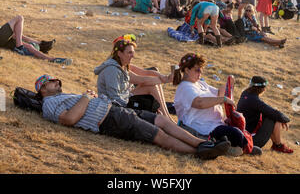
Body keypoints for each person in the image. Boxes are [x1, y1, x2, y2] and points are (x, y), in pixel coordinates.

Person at [36, 74, 231, 160]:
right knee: (158, 135)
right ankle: (198, 152)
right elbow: (69, 119)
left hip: (113, 110)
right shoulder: (49, 103)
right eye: (52, 82)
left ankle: (202, 143)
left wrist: (89, 98)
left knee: (162, 120)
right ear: (43, 89)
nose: (57, 82)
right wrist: (86, 97)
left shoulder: (59, 96)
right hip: (107, 119)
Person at [173, 54, 252, 156]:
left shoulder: (199, 83)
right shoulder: (185, 87)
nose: (200, 73)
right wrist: (223, 99)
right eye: (197, 70)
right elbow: (199, 103)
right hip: (204, 127)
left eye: (201, 70)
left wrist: (229, 84)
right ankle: (239, 148)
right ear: (187, 70)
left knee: (240, 129)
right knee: (236, 134)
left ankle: (241, 147)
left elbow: (219, 93)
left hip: (215, 124)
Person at [94, 34, 173, 120]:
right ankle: (167, 118)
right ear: (119, 53)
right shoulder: (112, 70)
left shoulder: (123, 65)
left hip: (124, 97)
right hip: (114, 106)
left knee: (154, 84)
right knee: (152, 86)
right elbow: (114, 98)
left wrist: (165, 78)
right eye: (129, 52)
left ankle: (167, 117)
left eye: (133, 52)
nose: (133, 56)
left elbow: (143, 76)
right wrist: (165, 79)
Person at [237, 76, 293, 153]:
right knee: (275, 118)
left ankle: (276, 145)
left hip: (243, 135)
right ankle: (278, 146)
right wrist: (285, 119)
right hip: (251, 141)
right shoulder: (254, 100)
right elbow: (273, 112)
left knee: (271, 115)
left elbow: (267, 109)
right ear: (262, 89)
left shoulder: (245, 94)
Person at [0, 15, 72, 64]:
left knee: (27, 45)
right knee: (19, 18)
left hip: (5, 42)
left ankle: (52, 59)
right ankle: (39, 45)